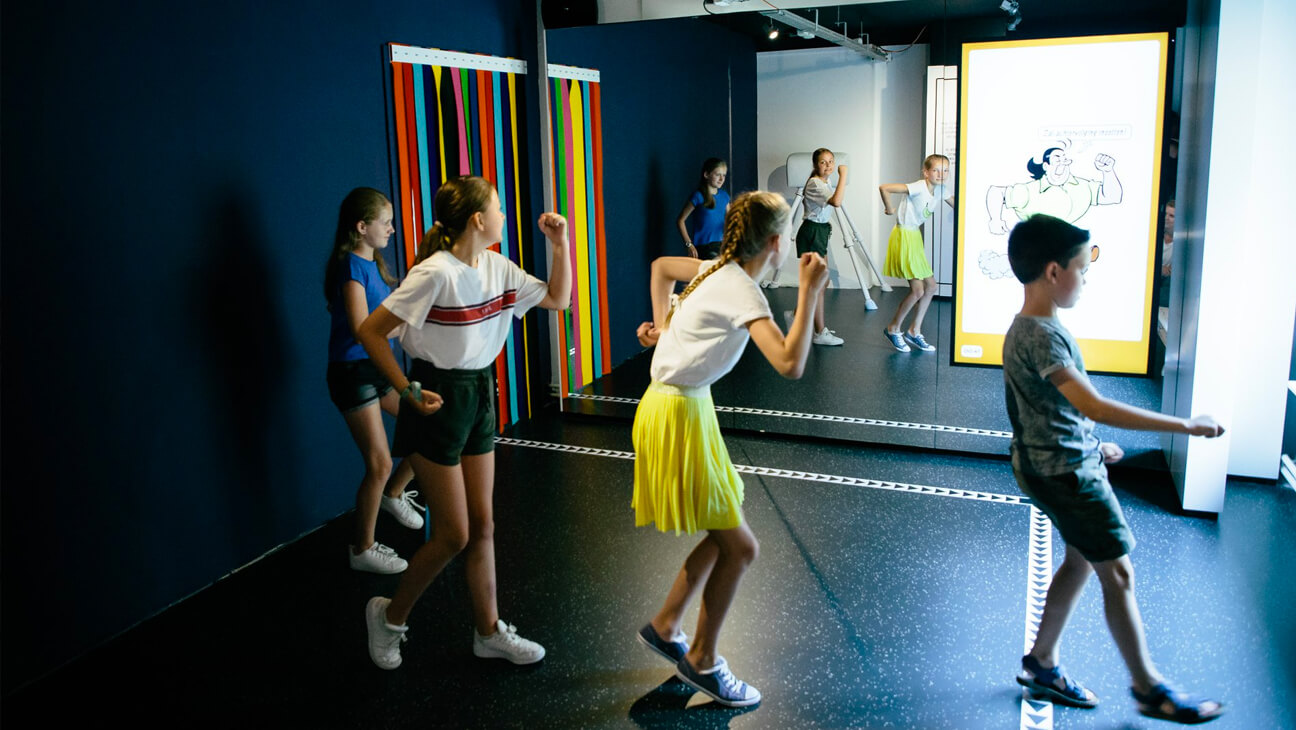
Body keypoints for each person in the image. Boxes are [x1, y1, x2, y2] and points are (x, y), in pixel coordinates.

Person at [1003, 214, 1225, 725]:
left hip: (1054, 462)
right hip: (1065, 473)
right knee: (1117, 571)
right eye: (1083, 268)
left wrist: (1093, 444)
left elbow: (1044, 409)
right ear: (1054, 271)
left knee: (1081, 561)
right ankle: (1149, 689)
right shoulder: (1042, 337)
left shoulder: (1031, 328)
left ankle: (1041, 663)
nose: (1087, 277)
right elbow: (1095, 405)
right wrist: (1186, 425)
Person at [355, 176, 571, 670]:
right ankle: (388, 615)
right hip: (436, 394)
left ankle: (488, 630)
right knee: (453, 534)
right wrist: (407, 389)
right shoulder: (434, 272)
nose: (502, 215)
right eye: (497, 208)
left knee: (484, 526)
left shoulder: (497, 266)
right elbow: (371, 331)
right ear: (477, 219)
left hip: (478, 393)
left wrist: (560, 245)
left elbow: (558, 300)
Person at [632, 191, 829, 707]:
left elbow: (659, 269)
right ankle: (701, 660)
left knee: (727, 531)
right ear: (776, 242)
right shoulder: (741, 289)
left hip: (677, 406)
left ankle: (666, 623)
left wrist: (662, 328)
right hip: (678, 413)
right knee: (741, 546)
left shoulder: (713, 269)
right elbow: (790, 364)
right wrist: (809, 292)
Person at [324, 187, 424, 574]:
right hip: (353, 374)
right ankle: (362, 548)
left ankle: (394, 495)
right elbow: (364, 328)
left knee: (427, 429)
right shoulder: (351, 266)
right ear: (362, 227)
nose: (393, 230)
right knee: (379, 463)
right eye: (386, 223)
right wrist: (406, 324)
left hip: (376, 370)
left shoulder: (375, 266)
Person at [878, 154, 954, 353]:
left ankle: (914, 330)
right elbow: (884, 187)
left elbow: (957, 206)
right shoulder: (919, 186)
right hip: (904, 235)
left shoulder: (941, 190)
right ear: (926, 172)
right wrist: (888, 207)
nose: (941, 174)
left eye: (945, 170)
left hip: (914, 238)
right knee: (918, 290)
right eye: (936, 170)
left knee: (931, 287)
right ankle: (893, 329)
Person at [794, 148, 848, 345]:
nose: (828, 165)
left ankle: (798, 316)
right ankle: (819, 333)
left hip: (820, 230)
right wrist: (844, 175)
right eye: (823, 162)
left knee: (821, 283)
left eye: (831, 161)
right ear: (816, 165)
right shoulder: (816, 183)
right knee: (819, 283)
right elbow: (836, 201)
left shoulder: (825, 181)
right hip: (813, 231)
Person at [676, 158, 730, 259]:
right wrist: (689, 244)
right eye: (718, 175)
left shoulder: (724, 196)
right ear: (706, 175)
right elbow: (680, 220)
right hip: (704, 248)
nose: (721, 179)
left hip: (722, 245)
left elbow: (731, 220)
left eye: (724, 175)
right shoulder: (698, 196)